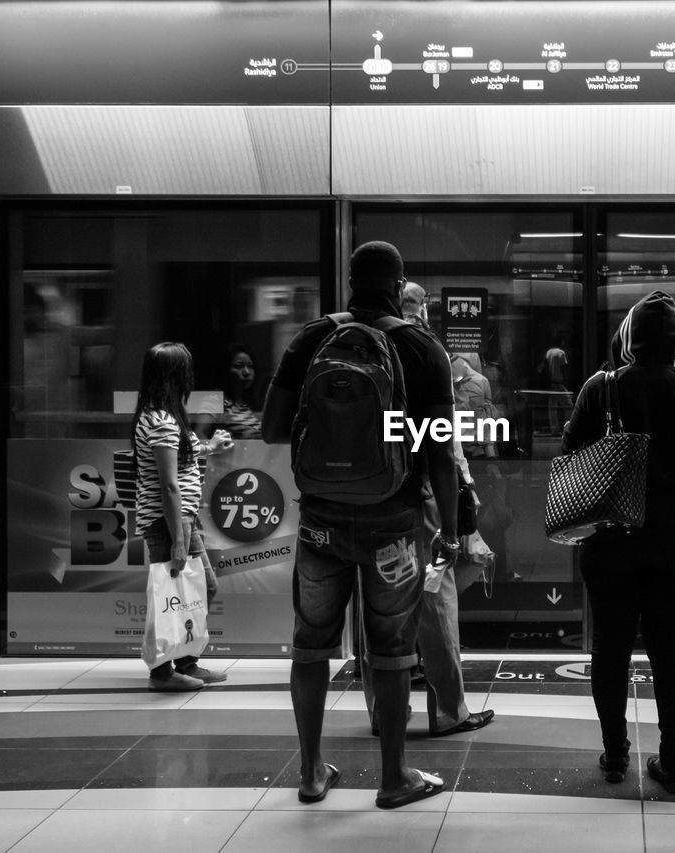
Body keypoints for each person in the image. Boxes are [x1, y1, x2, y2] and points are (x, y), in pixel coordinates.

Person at [262, 241, 457, 808]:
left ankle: (309, 774)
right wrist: (445, 524)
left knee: (310, 646)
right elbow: (442, 451)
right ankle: (394, 778)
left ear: (350, 282)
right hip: (393, 522)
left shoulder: (313, 337)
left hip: (320, 520)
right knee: (392, 651)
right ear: (399, 286)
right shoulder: (424, 348)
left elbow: (274, 428)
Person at [563, 290, 675, 795]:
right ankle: (672, 763)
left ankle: (615, 757)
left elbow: (572, 453)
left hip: (611, 539)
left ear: (629, 337)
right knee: (669, 647)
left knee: (610, 648)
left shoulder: (601, 387)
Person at [359, 280, 495, 739]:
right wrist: (459, 506)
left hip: (366, 494)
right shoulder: (422, 349)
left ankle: (382, 714)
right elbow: (443, 442)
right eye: (417, 304)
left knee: (379, 606)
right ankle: (449, 712)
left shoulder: (346, 339)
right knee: (437, 601)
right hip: (420, 495)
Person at [131, 342, 232, 692]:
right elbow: (169, 485)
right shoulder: (160, 420)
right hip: (169, 522)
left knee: (197, 589)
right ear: (175, 376)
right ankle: (162, 672)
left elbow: (180, 457)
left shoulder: (164, 416)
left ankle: (187, 661)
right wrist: (178, 540)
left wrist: (209, 447)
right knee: (170, 595)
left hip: (181, 520)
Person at [213, 343, 263, 439]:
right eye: (239, 366)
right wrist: (238, 440)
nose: (247, 372)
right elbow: (200, 436)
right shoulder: (217, 400)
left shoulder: (251, 404)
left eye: (250, 366)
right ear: (227, 370)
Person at [542, 333, 571, 434]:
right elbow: (564, 368)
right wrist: (566, 381)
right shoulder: (561, 353)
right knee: (569, 406)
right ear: (560, 342)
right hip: (559, 383)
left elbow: (545, 367)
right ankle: (569, 427)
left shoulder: (548, 352)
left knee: (552, 408)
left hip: (551, 384)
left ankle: (554, 429)